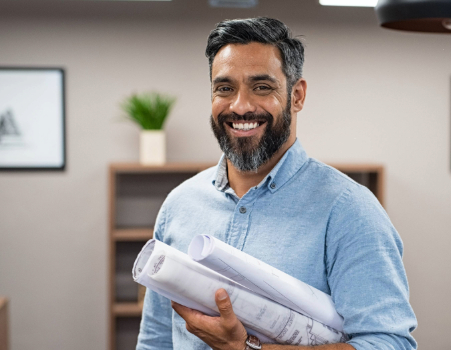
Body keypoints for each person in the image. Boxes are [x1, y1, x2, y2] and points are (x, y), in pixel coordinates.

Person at [136, 17, 417, 350]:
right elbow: (156, 340)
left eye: (262, 87)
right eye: (225, 88)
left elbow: (388, 344)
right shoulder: (180, 204)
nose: (240, 106)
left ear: (296, 96)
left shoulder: (349, 210)